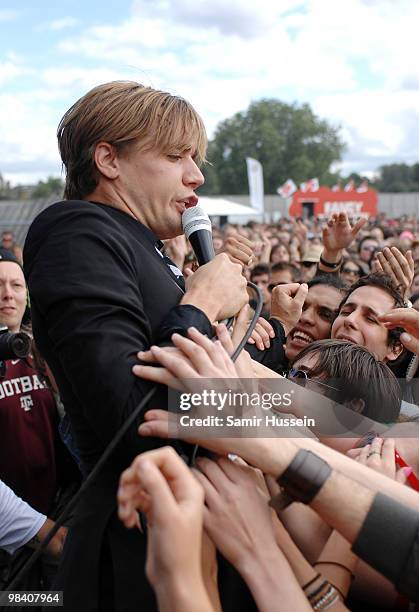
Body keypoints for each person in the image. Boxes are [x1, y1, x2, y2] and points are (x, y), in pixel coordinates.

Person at [23, 80, 248, 612]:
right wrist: (201, 305)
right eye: (175, 156)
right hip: (133, 550)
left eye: (196, 158)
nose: (196, 175)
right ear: (109, 159)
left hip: (190, 522)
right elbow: (129, 414)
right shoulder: (77, 230)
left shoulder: (145, 245)